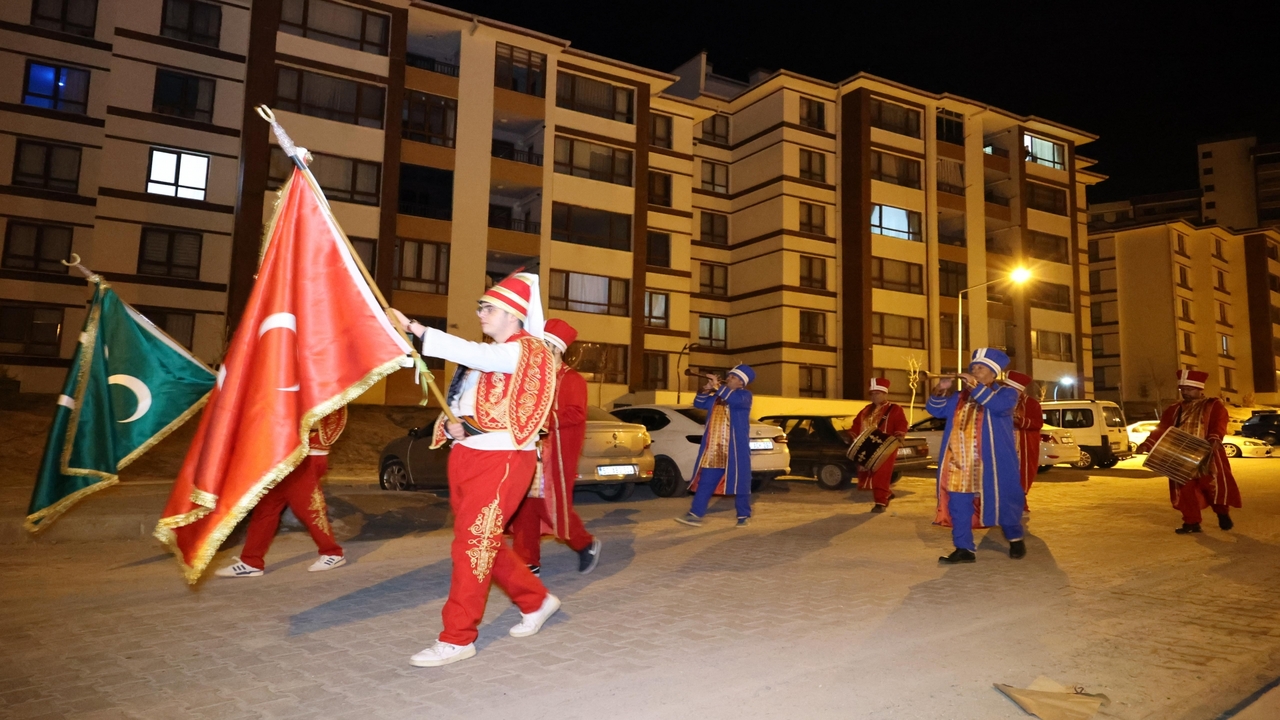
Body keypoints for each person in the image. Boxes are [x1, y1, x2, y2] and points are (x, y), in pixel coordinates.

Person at [390, 272, 560, 668]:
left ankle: (457, 637)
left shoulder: (526, 350)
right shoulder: (490, 354)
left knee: (473, 546)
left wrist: (416, 328)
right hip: (468, 455)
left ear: (513, 314)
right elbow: (469, 403)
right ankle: (536, 600)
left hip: (501, 461)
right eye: (482, 307)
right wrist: (457, 426)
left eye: (489, 307)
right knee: (474, 541)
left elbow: (478, 357)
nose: (481, 313)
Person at [509, 318, 601, 577]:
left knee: (551, 507)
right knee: (524, 506)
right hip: (528, 450)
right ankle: (528, 561)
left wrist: (544, 419)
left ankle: (585, 543)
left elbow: (576, 414)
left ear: (558, 349)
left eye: (546, 346)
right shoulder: (533, 379)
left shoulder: (572, 379)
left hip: (554, 453)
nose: (540, 352)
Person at [215, 407, 348, 578]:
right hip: (280, 453)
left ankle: (333, 553)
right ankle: (251, 562)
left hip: (306, 453)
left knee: (307, 508)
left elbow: (330, 406)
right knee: (266, 509)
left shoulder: (315, 382)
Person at [927, 349, 1026, 563]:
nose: (974, 371)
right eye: (973, 368)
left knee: (1005, 502)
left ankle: (1015, 537)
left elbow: (998, 407)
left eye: (980, 368)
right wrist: (940, 389)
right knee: (958, 506)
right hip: (959, 463)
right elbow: (935, 411)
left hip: (992, 462)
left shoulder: (1006, 394)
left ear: (993, 373)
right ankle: (964, 549)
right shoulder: (959, 397)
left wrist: (974, 385)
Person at [1136, 369, 1242, 534]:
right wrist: (1147, 444)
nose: (1185, 392)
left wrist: (1215, 438)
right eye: (1183, 389)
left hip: (1207, 454)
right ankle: (1191, 522)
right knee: (1185, 491)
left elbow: (1219, 423)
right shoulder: (1174, 409)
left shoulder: (1213, 405)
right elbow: (1162, 429)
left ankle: (1222, 513)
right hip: (1180, 455)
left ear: (1200, 389)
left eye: (1189, 389)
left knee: (1211, 486)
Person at [676, 365, 755, 527]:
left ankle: (743, 515)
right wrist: (706, 389)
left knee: (740, 482)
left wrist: (718, 386)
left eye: (733, 377)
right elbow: (699, 404)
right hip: (715, 449)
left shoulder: (745, 396)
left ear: (741, 383)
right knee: (706, 481)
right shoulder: (718, 396)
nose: (729, 378)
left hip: (735, 448)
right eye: (730, 376)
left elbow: (734, 400)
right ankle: (695, 514)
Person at [850, 378, 908, 513]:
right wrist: (852, 435)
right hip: (867, 447)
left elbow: (901, 423)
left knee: (881, 474)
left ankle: (881, 502)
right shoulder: (865, 410)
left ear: (884, 394)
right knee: (869, 474)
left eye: (878, 393)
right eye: (872, 393)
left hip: (886, 447)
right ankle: (886, 493)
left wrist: (899, 434)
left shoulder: (894, 409)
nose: (874, 396)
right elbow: (856, 425)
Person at [1004, 371, 1043, 513]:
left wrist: (1019, 421)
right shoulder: (1000, 402)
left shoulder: (1032, 404)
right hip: (1004, 443)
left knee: (1022, 474)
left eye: (1012, 390)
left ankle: (1020, 503)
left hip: (1023, 444)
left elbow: (1038, 423)